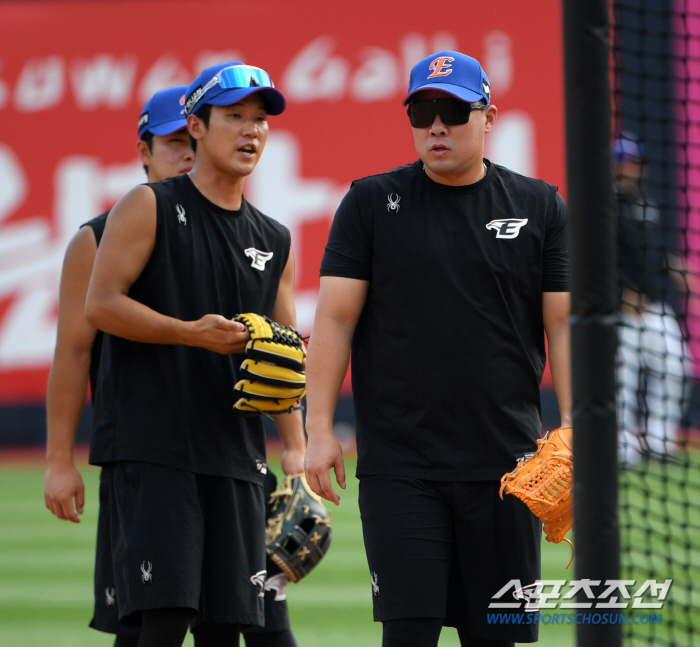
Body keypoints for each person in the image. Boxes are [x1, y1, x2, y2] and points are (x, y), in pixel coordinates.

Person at [304, 50, 571, 647]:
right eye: (423, 111)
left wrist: (576, 425)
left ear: (488, 116)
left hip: (509, 466)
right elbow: (335, 318)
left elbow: (563, 324)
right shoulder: (371, 203)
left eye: (453, 110)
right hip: (401, 467)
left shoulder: (540, 205)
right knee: (409, 631)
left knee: (498, 636)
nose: (437, 126)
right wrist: (317, 427)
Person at [83, 61, 306, 647]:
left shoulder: (274, 236)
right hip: (155, 448)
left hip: (235, 454)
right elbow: (101, 306)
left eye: (259, 120)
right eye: (234, 117)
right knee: (163, 621)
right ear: (197, 125)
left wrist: (299, 452)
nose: (251, 131)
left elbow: (285, 353)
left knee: (226, 627)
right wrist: (189, 332)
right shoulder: (148, 204)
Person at [45, 84, 194, 647]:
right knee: (144, 626)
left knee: (253, 621)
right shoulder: (99, 237)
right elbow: (73, 351)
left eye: (194, 139)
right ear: (144, 150)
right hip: (142, 457)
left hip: (228, 457)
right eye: (173, 142)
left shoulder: (241, 230)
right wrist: (60, 460)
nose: (187, 153)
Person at [614, 131, 691, 463]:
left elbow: (654, 252)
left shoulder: (647, 202)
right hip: (620, 312)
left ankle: (659, 439)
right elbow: (593, 259)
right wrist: (619, 294)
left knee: (677, 369)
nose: (629, 169)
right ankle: (622, 444)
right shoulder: (600, 208)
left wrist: (674, 268)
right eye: (622, 162)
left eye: (633, 162)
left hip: (656, 307)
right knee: (623, 381)